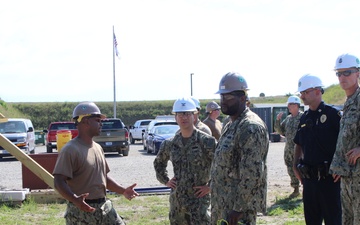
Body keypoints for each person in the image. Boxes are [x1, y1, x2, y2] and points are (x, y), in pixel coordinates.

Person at [53, 102, 139, 225]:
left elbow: (103, 177)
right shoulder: (71, 150)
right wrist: (75, 200)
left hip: (104, 207)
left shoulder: (98, 148)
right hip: (81, 211)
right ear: (86, 121)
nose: (101, 124)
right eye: (98, 120)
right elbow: (58, 181)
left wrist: (123, 190)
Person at [210, 72, 269, 225]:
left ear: (242, 98)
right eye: (222, 97)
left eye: (228, 97)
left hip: (237, 212)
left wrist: (238, 209)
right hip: (223, 205)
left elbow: (253, 173)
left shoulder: (250, 127)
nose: (223, 101)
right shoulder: (229, 124)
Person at [153, 97, 216, 225]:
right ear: (175, 117)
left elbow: (223, 166)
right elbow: (159, 163)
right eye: (180, 114)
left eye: (187, 114)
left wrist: (210, 186)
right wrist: (166, 181)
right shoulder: (170, 143)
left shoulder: (207, 141)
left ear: (194, 116)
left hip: (199, 205)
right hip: (178, 205)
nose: (184, 117)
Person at [293, 74, 341, 225]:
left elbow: (345, 142)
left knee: (333, 220)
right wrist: (295, 165)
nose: (302, 96)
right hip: (309, 180)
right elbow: (298, 143)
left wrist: (341, 166)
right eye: (301, 93)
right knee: (311, 221)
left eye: (305, 92)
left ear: (318, 91)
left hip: (330, 181)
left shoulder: (333, 115)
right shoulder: (304, 117)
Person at [329, 53, 360, 225]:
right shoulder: (348, 103)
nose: (342, 77)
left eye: (347, 72)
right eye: (338, 74)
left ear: (358, 74)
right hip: (348, 176)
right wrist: (338, 164)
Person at [274, 95, 303, 198]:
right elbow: (280, 131)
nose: (288, 106)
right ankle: (296, 189)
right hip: (289, 149)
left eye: (290, 104)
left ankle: (306, 188)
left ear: (296, 105)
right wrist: (277, 121)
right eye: (288, 104)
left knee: (302, 168)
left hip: (300, 150)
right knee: (290, 168)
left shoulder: (303, 117)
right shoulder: (288, 119)